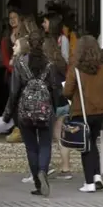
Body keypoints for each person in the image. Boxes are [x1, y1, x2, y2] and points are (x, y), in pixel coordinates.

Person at [3, 31, 57, 197]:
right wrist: (54, 108)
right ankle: (43, 171)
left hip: (25, 110)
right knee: (45, 144)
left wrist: (8, 113)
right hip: (45, 110)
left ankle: (37, 181)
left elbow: (14, 91)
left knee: (31, 147)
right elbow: (54, 88)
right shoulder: (49, 63)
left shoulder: (20, 63)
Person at [63, 35, 103, 193]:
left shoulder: (76, 69)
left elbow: (67, 92)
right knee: (92, 143)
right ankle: (97, 176)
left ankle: (89, 183)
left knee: (85, 147)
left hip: (82, 112)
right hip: (100, 112)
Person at [43, 37, 72, 180]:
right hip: (64, 102)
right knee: (62, 136)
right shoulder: (61, 62)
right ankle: (65, 167)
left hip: (53, 103)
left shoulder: (48, 65)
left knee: (53, 136)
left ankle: (63, 168)